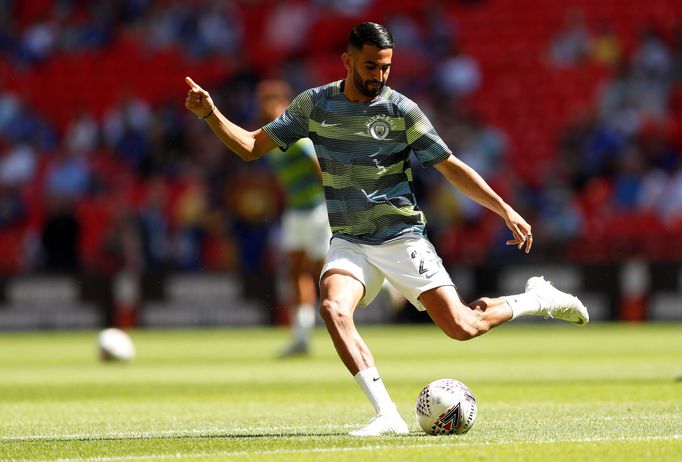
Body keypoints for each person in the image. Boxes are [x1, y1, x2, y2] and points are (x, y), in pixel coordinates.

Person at [184, 22, 589, 437]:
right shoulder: (315, 105)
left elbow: (449, 166)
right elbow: (251, 147)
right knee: (333, 308)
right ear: (347, 61)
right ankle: (387, 415)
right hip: (350, 241)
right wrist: (211, 115)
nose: (379, 75)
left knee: (462, 327)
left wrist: (503, 208)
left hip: (402, 237)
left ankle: (537, 298)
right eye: (370, 66)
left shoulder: (401, 109)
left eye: (385, 67)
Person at [256, 80, 331, 357]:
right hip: (294, 212)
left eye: (269, 100)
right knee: (295, 272)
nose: (265, 107)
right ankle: (301, 336)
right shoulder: (270, 139)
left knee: (322, 271)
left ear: (282, 103)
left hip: (316, 209)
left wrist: (337, 202)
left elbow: (320, 166)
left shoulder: (297, 137)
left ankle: (380, 284)